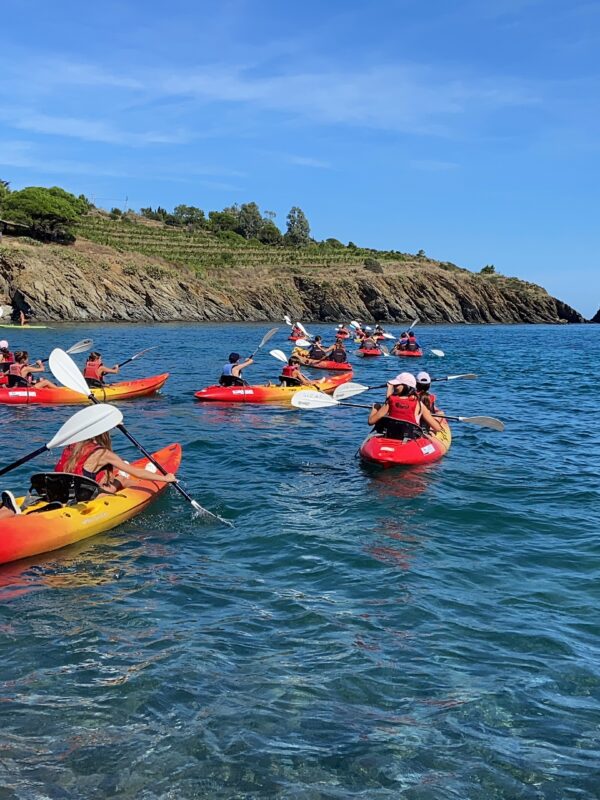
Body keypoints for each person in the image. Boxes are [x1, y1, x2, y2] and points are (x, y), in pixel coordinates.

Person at [0, 432, 177, 518]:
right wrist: (165, 478)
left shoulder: (71, 446)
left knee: (111, 482)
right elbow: (136, 472)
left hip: (56, 491)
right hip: (77, 497)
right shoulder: (102, 453)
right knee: (118, 483)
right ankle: (121, 480)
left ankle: (10, 511)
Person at [367, 372, 442, 440]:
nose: (394, 386)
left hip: (391, 435)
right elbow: (437, 428)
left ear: (407, 386)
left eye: (397, 385)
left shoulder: (390, 400)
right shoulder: (419, 404)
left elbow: (371, 421)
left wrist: (375, 407)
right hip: (410, 437)